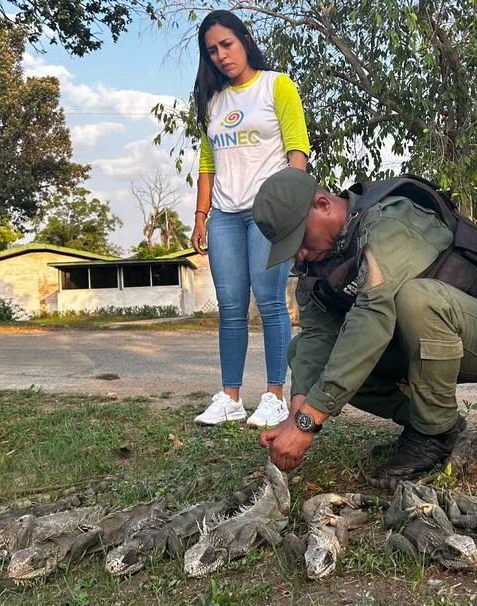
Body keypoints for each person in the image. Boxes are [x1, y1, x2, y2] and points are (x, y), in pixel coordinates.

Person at [252, 168, 477, 479]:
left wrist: (309, 422)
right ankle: (437, 425)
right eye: (290, 249)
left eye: (300, 238)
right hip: (422, 337)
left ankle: (432, 434)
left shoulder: (388, 219)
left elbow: (372, 316)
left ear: (323, 205)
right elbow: (316, 337)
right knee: (299, 349)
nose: (299, 254)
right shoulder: (319, 260)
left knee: (414, 299)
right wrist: (297, 414)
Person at [189, 10, 310, 427]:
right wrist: (201, 216)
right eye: (212, 50)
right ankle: (230, 397)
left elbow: (298, 151)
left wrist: (292, 208)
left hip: (268, 214)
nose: (222, 55)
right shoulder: (213, 101)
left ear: (243, 40)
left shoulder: (277, 85)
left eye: (227, 44)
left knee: (271, 301)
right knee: (231, 307)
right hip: (224, 215)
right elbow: (208, 164)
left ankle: (275, 394)